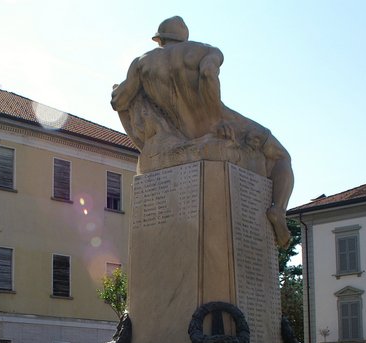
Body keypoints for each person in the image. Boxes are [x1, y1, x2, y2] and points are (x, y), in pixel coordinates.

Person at [112, 16, 294, 247]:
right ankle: (278, 210)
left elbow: (120, 101)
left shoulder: (141, 63)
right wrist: (216, 119)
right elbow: (208, 73)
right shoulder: (205, 50)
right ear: (184, 37)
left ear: (160, 40)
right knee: (281, 156)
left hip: (175, 133)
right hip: (217, 121)